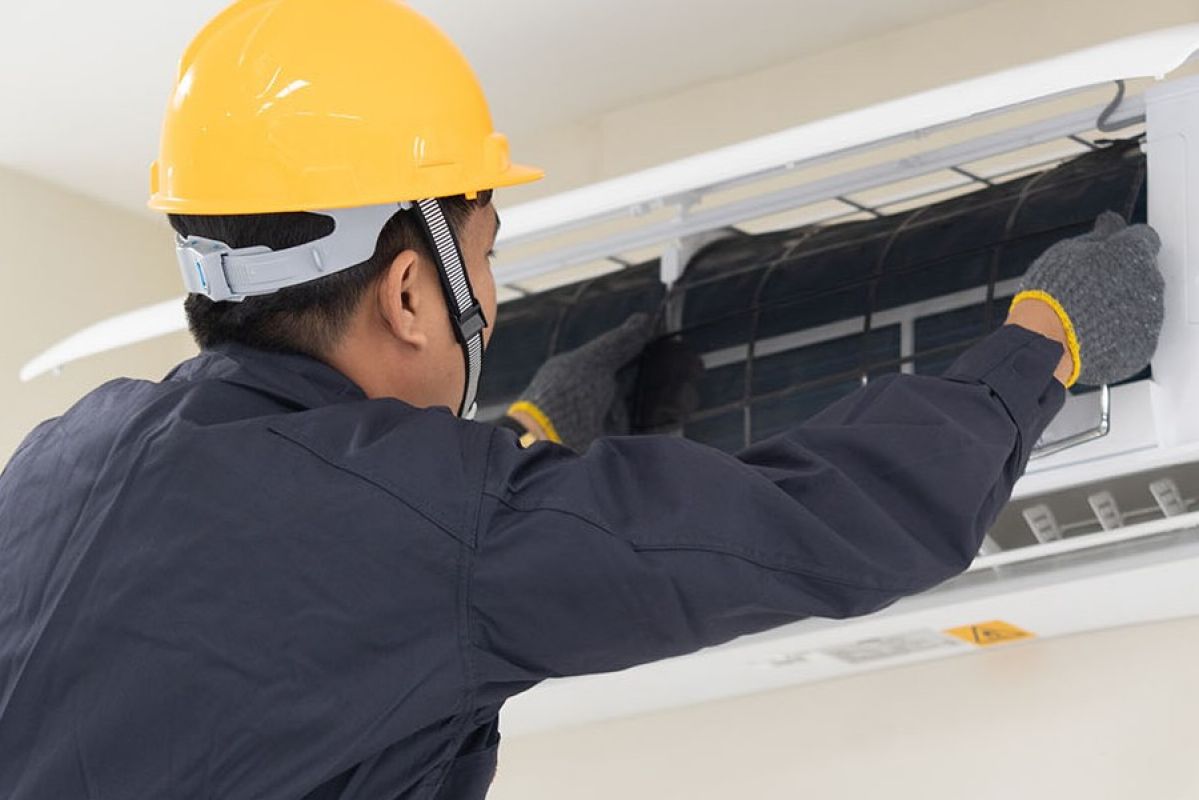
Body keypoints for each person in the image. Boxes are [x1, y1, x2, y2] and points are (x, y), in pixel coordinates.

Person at [0, 1, 1164, 798]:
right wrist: (1043, 340)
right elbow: (829, 520)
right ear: (412, 288)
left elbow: (304, 601)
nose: (492, 300)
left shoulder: (53, 466)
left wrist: (528, 446)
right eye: (487, 254)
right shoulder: (435, 535)